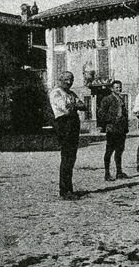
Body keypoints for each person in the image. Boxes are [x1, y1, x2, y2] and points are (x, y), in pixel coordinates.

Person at [49, 71, 88, 200]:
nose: (69, 82)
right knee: (66, 157)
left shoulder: (71, 93)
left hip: (73, 124)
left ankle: (69, 188)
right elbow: (66, 108)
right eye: (66, 79)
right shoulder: (56, 92)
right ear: (60, 80)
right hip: (64, 124)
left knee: (71, 158)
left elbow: (83, 106)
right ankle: (64, 190)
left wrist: (75, 105)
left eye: (71, 79)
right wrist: (75, 106)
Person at [100, 80, 129, 181]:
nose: (119, 89)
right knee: (109, 151)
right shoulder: (107, 99)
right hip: (112, 129)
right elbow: (101, 114)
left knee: (119, 151)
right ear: (112, 89)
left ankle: (119, 172)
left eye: (120, 87)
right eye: (116, 88)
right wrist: (113, 119)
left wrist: (125, 127)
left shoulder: (121, 99)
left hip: (121, 129)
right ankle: (107, 174)